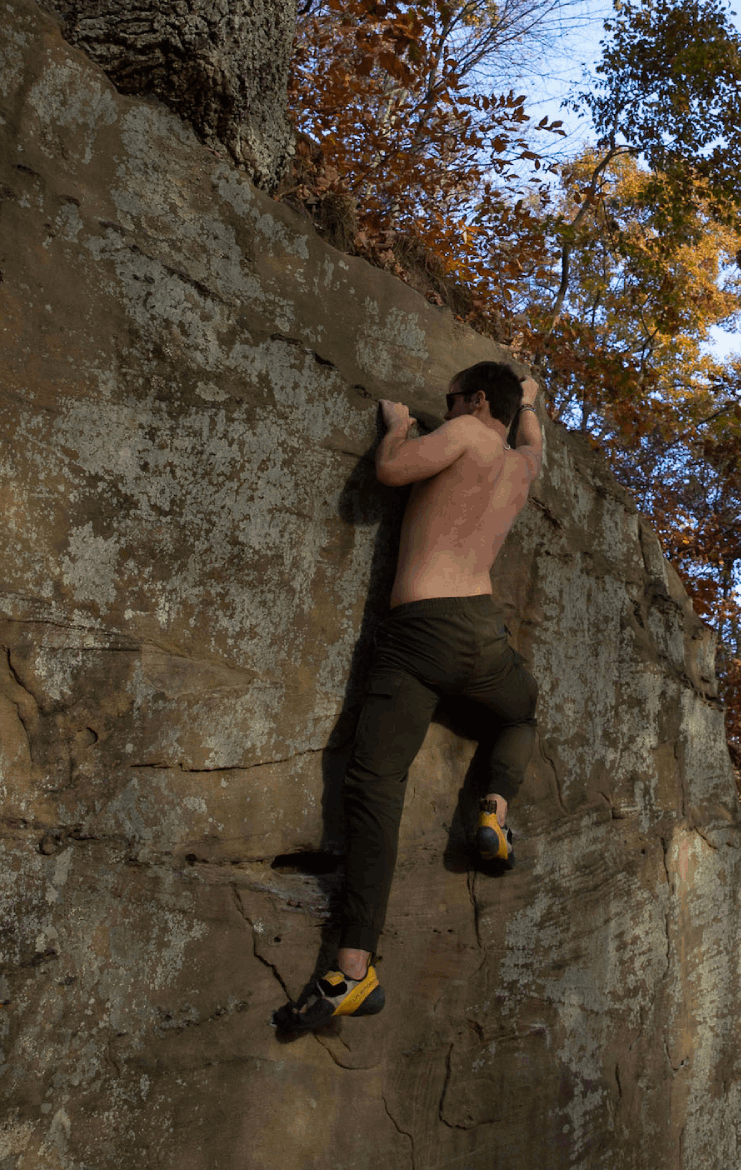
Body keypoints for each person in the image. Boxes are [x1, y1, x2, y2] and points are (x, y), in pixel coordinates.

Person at [277, 360, 544, 1034]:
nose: (444, 408)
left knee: (375, 783)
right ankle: (494, 808)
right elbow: (535, 443)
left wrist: (396, 428)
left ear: (477, 400)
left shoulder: (464, 435)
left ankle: (354, 969)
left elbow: (392, 472)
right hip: (482, 636)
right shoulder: (519, 464)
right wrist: (531, 406)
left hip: (420, 632)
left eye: (450, 399)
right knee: (520, 710)